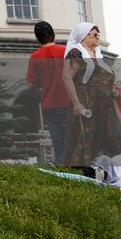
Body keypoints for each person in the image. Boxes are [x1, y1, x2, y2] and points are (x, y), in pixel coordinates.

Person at [60, 21, 121, 167]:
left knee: (112, 137)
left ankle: (111, 170)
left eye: (98, 34)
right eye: (94, 34)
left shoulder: (99, 56)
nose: (97, 37)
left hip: (105, 106)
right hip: (87, 103)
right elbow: (66, 77)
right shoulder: (76, 53)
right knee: (86, 139)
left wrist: (111, 90)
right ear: (83, 36)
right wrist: (76, 102)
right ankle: (81, 172)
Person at [25, 20, 71, 164]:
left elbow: (31, 83)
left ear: (38, 38)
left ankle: (61, 167)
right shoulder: (65, 51)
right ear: (53, 34)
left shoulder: (35, 57)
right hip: (68, 102)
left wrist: (43, 81)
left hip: (49, 104)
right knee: (71, 138)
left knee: (57, 139)